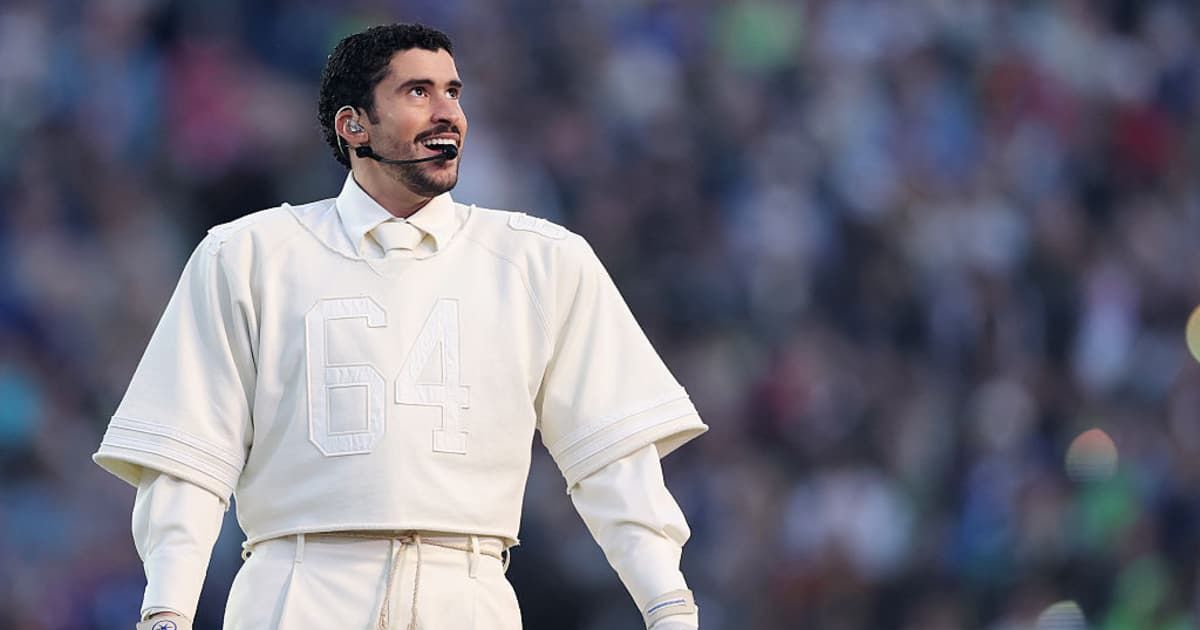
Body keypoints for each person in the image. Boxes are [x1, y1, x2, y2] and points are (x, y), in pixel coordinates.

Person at [93, 23, 707, 630]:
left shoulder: (541, 260)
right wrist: (167, 610)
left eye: (454, 92)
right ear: (352, 124)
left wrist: (668, 604)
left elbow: (610, 455)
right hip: (296, 586)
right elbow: (190, 458)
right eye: (418, 92)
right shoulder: (247, 255)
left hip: (469, 589)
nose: (449, 114)